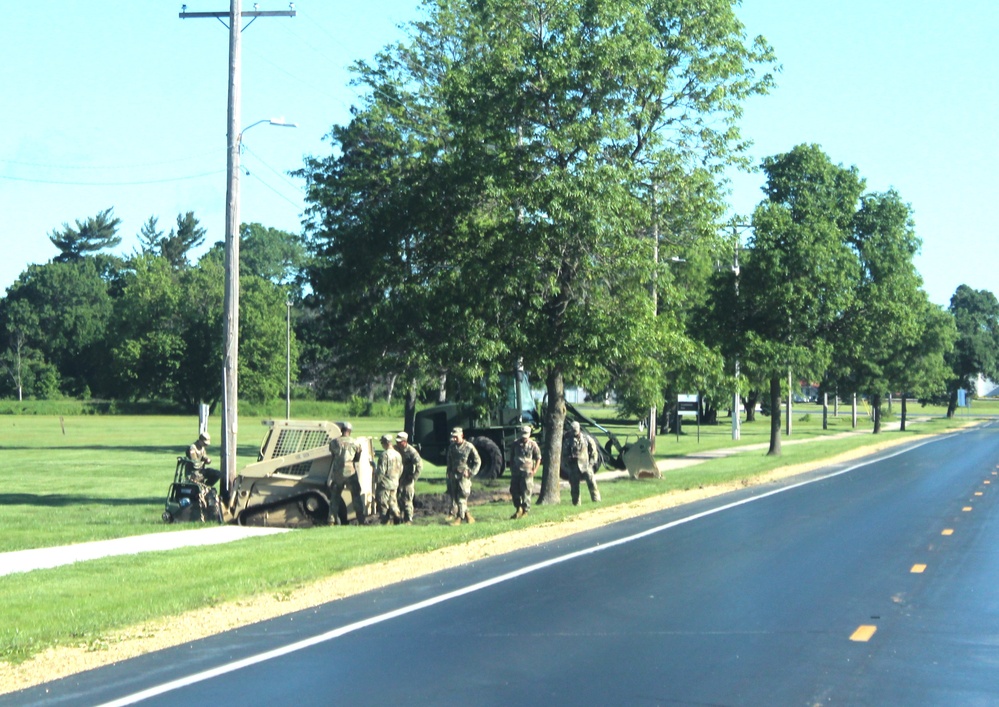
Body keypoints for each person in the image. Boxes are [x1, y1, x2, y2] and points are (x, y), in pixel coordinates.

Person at [327, 421, 366, 525]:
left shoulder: (334, 442)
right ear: (350, 431)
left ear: (341, 430)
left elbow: (333, 455)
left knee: (335, 497)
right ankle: (361, 519)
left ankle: (331, 520)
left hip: (338, 473)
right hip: (350, 472)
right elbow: (357, 458)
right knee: (356, 496)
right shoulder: (356, 443)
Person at [445, 427, 480, 525]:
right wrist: (449, 472)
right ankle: (468, 516)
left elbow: (477, 461)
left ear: (462, 435)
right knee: (455, 498)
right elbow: (449, 461)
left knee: (462, 497)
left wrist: (471, 472)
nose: (454, 439)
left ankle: (459, 518)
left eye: (456, 437)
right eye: (453, 437)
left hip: (464, 477)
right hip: (453, 476)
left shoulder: (469, 447)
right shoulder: (452, 447)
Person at [565, 421, 600, 506]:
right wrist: (568, 462)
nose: (575, 433)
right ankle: (576, 504)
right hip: (574, 467)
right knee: (574, 488)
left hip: (586, 465)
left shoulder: (586, 438)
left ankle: (596, 501)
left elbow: (594, 452)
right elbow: (564, 454)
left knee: (592, 484)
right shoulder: (568, 441)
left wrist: (591, 464)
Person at [509, 425, 541, 519]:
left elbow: (538, 458)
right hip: (516, 472)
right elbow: (511, 457)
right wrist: (512, 468)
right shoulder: (515, 444)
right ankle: (518, 509)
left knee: (526, 492)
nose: (524, 438)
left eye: (526, 436)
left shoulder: (533, 444)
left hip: (527, 472)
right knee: (514, 491)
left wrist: (535, 470)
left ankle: (525, 511)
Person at [375, 434, 403, 525]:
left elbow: (381, 471)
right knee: (393, 502)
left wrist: (377, 481)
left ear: (385, 443)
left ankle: (385, 521)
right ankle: (397, 515)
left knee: (383, 503)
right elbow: (401, 469)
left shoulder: (384, 455)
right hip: (395, 482)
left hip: (385, 483)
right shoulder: (398, 454)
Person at [395, 431, 422, 524]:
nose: (397, 443)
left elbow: (419, 465)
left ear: (405, 442)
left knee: (407, 499)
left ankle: (408, 519)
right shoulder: (395, 449)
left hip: (407, 478)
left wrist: (414, 477)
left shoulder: (411, 451)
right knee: (396, 498)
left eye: (399, 442)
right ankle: (397, 517)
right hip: (397, 478)